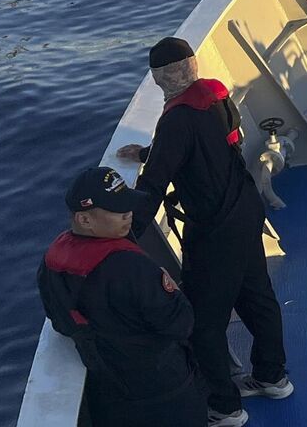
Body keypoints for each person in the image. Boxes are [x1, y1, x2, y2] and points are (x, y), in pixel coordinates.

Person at [118, 38, 290, 427]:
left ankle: (226, 407)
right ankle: (272, 376)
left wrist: (126, 235)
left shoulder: (177, 119)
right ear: (194, 66)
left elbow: (154, 185)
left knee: (203, 321)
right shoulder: (214, 95)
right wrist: (151, 150)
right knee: (257, 298)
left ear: (159, 79)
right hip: (245, 209)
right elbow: (210, 145)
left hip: (215, 228)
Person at [36, 166, 205, 427]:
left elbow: (60, 321)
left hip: (112, 397)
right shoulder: (133, 270)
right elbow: (181, 324)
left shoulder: (51, 266)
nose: (128, 214)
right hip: (164, 391)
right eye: (117, 210)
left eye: (128, 206)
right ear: (85, 219)